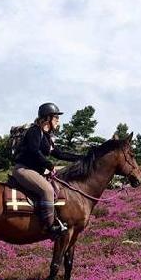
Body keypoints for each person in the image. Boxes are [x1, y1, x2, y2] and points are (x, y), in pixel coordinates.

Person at [12, 102, 84, 239]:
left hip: (35, 170)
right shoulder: (34, 131)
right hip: (24, 170)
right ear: (47, 118)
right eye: (56, 118)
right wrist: (48, 164)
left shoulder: (47, 137)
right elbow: (34, 151)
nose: (58, 121)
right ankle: (50, 227)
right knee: (47, 190)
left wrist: (81, 158)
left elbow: (60, 154)